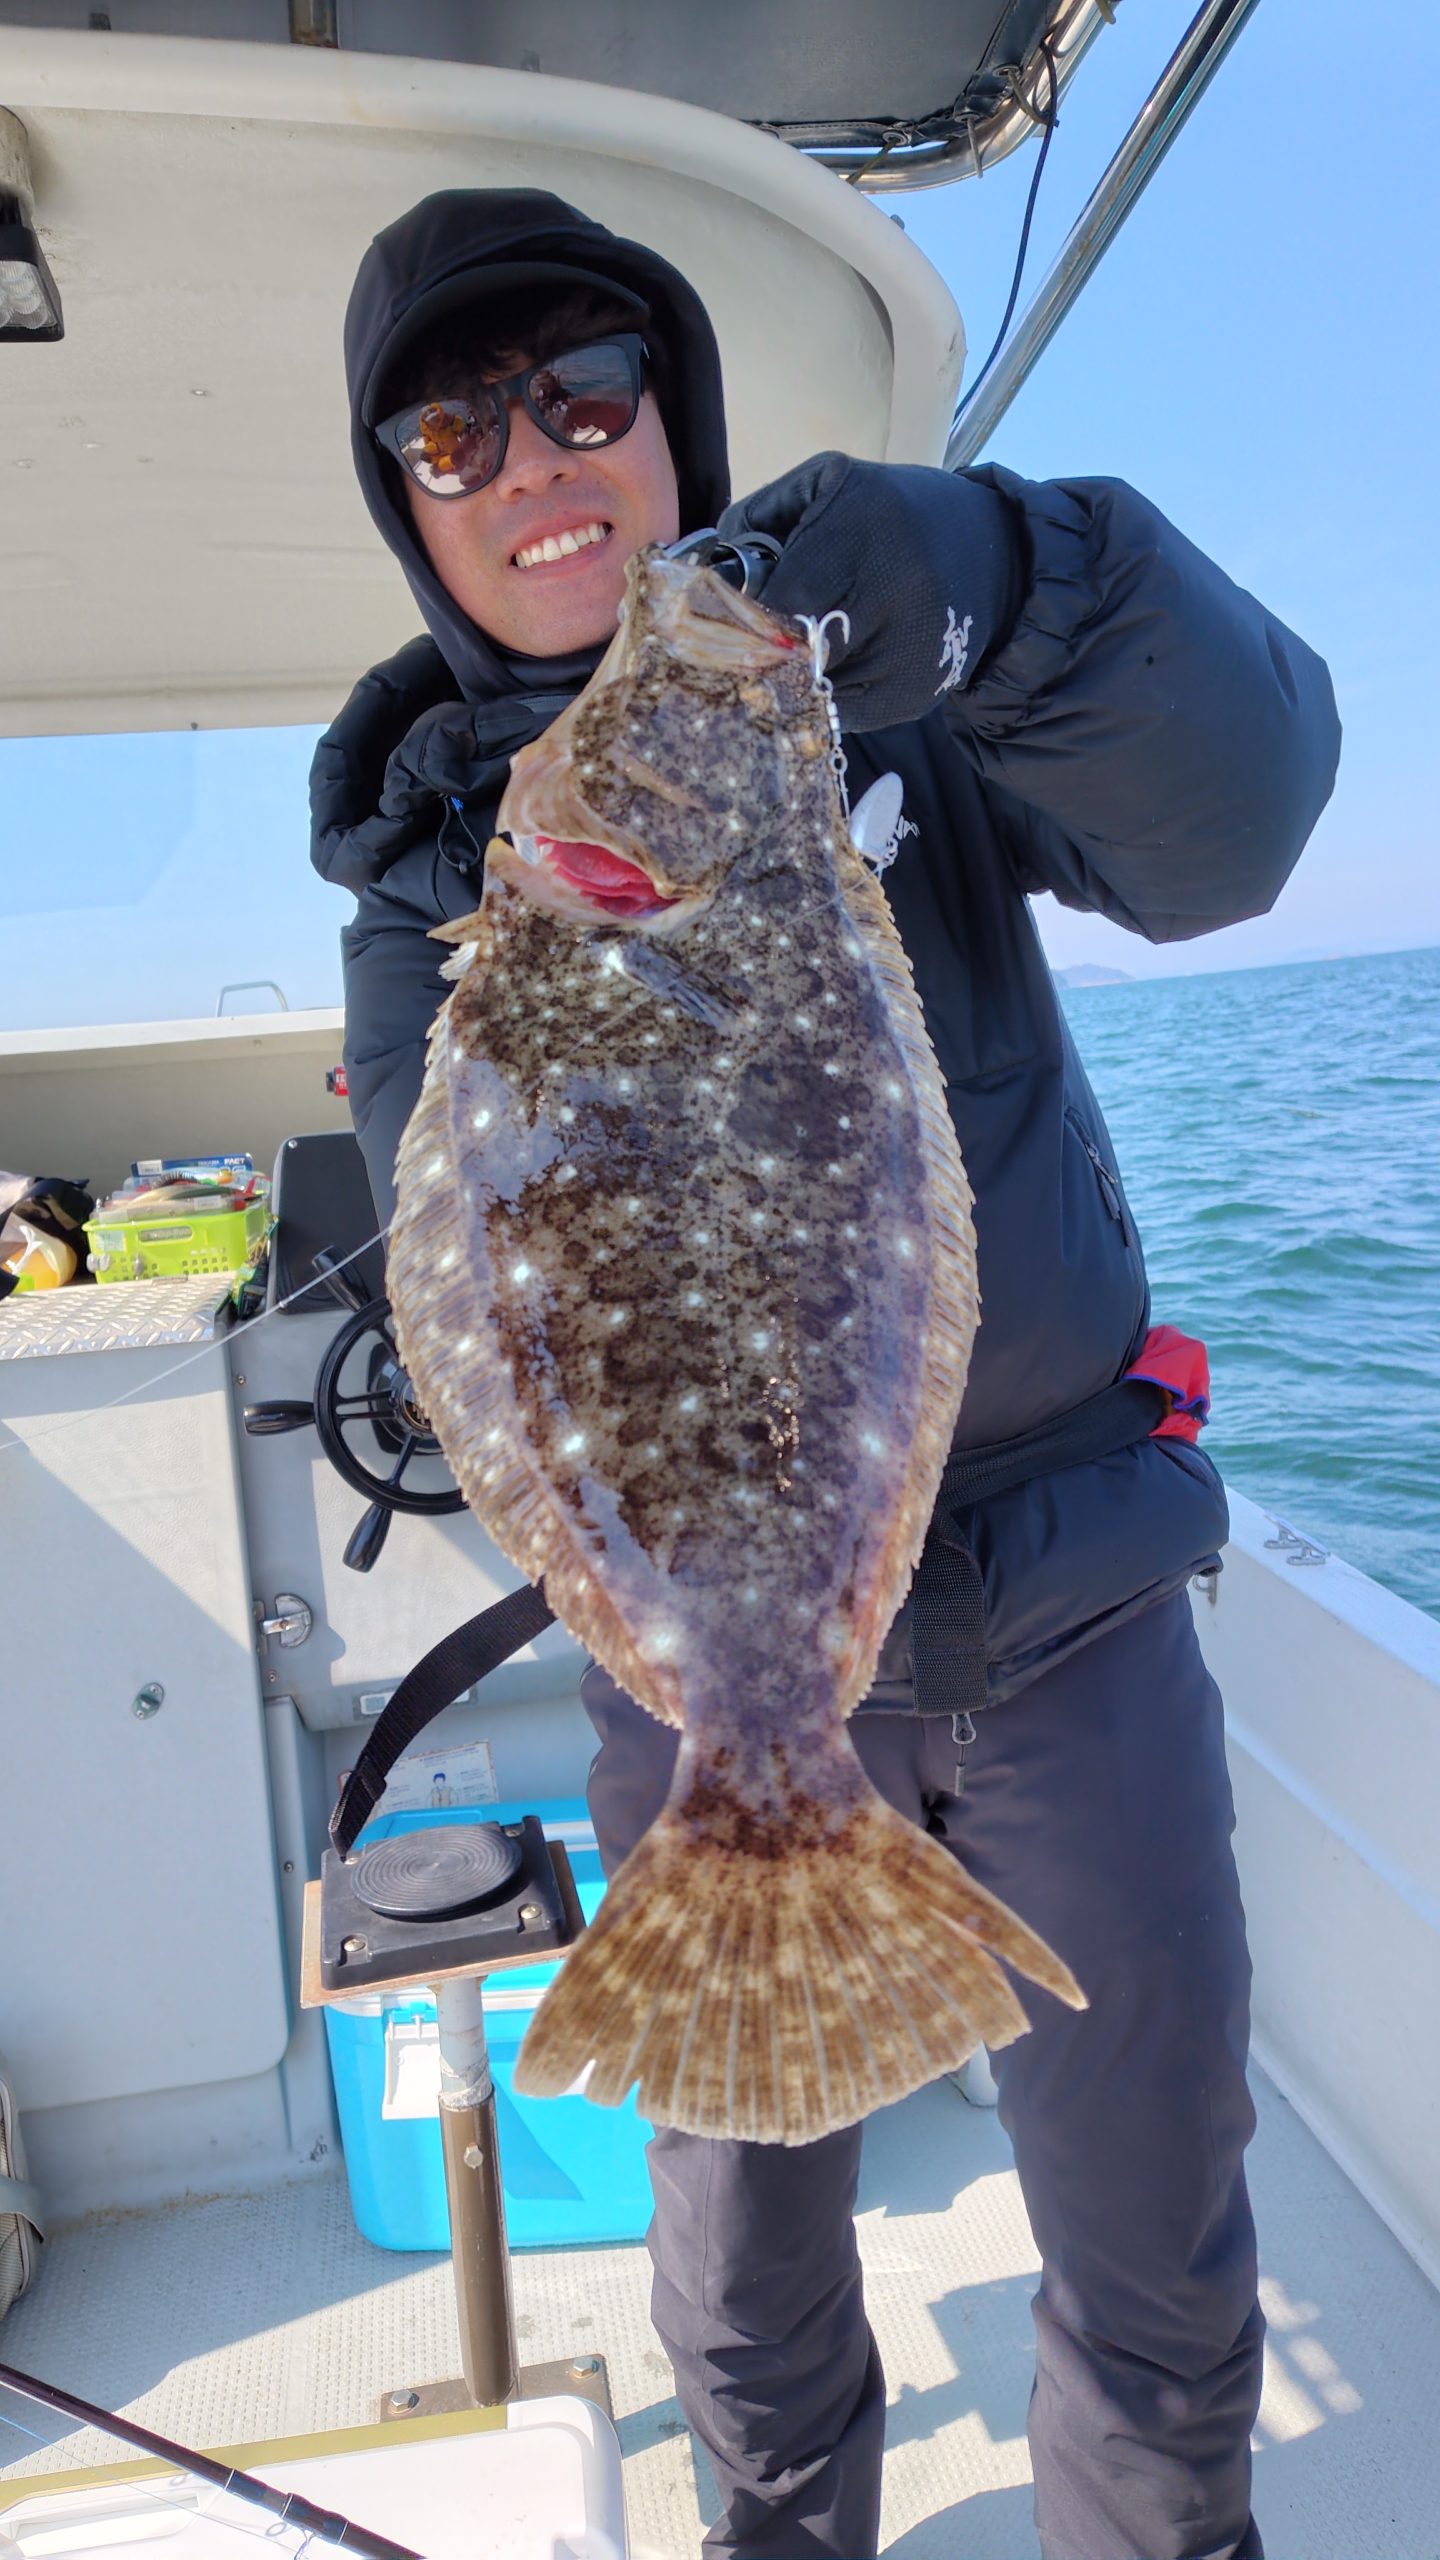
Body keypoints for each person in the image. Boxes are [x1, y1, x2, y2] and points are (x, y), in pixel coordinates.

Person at [313, 186, 1340, 2560]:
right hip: (717, 1690)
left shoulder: (912, 734)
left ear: (675, 421)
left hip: (1074, 1630)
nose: (542, 458)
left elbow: (1251, 809)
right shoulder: (428, 923)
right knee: (745, 2298)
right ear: (414, 514)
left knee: (1162, 2272)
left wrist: (1003, 571)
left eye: (591, 393)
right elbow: (499, 1295)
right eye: (459, 436)